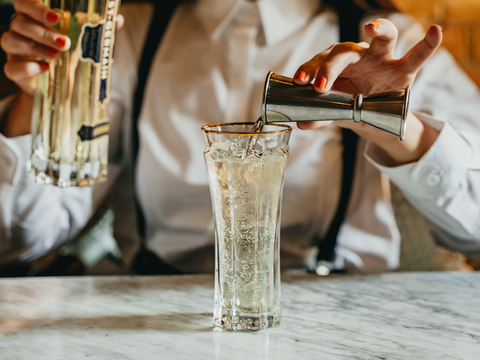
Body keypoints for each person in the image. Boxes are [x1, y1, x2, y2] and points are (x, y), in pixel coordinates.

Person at [0, 0, 479, 274]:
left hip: (338, 319)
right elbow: (21, 240)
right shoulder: (124, 36)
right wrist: (37, 102)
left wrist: (386, 120)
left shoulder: (396, 48)